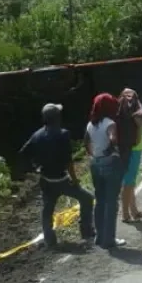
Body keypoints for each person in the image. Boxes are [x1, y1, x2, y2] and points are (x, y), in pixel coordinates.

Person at [19, 103, 94, 249]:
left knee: (47, 210)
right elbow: (68, 161)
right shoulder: (63, 134)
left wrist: (35, 168)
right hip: (62, 180)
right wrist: (74, 179)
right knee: (87, 198)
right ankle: (86, 231)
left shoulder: (37, 135)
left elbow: (23, 154)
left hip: (46, 180)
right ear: (57, 118)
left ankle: (50, 241)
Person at [84, 93, 125, 248]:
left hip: (95, 163)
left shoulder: (91, 124)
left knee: (100, 200)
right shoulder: (110, 123)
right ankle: (110, 239)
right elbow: (113, 138)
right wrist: (111, 150)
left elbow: (86, 141)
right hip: (110, 163)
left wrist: (94, 154)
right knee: (111, 201)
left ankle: (99, 236)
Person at [117, 88, 142, 223]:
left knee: (130, 181)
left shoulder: (119, 108)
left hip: (125, 147)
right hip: (134, 148)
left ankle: (134, 210)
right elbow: (140, 122)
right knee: (129, 182)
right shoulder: (135, 107)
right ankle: (125, 214)